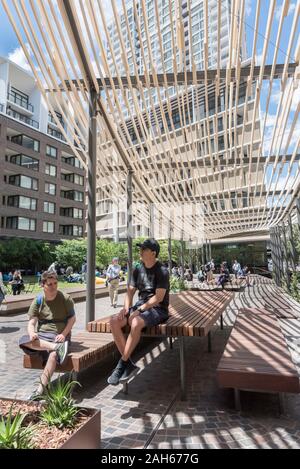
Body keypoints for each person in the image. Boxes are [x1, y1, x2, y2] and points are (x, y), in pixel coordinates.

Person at [107, 238, 169, 385]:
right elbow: (129, 293)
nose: (140, 251)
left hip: (157, 309)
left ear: (153, 253)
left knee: (135, 322)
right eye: (140, 248)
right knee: (114, 321)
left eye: (144, 249)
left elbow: (159, 298)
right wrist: (126, 308)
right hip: (140, 306)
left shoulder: (162, 271)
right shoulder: (137, 268)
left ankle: (121, 365)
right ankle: (128, 364)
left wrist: (139, 310)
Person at [18, 270, 76, 400]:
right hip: (43, 335)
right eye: (50, 284)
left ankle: (39, 391)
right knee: (23, 340)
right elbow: (32, 322)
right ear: (42, 285)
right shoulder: (38, 300)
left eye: (55, 283)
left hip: (59, 335)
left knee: (53, 355)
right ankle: (56, 347)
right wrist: (32, 333)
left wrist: (63, 334)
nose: (54, 286)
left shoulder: (65, 298)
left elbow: (72, 319)